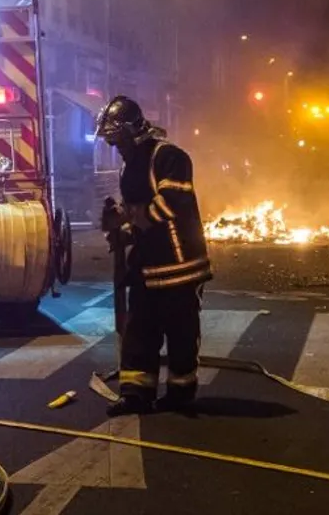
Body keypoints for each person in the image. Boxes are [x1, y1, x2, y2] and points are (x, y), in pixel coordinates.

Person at [97, 95, 212, 416]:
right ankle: (136, 394)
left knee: (181, 333)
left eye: (118, 140)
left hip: (180, 266)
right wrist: (120, 233)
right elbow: (142, 223)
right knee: (139, 333)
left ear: (134, 131)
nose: (116, 148)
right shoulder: (129, 167)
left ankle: (180, 392)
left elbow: (171, 204)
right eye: (111, 142)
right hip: (147, 267)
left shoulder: (171, 158)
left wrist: (126, 216)